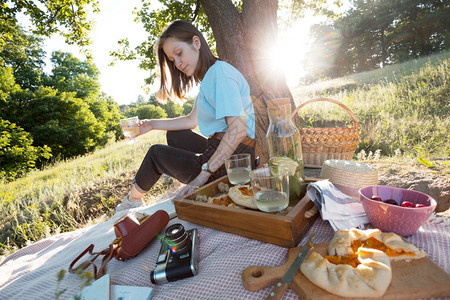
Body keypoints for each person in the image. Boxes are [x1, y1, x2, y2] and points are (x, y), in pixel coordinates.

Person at [116, 20, 256, 212]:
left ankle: (131, 202)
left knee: (156, 154)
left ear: (196, 42)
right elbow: (191, 120)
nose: (178, 63)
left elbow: (239, 129)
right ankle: (197, 170)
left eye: (179, 53)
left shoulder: (220, 73)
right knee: (176, 135)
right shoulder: (211, 76)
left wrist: (204, 174)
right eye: (173, 60)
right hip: (222, 150)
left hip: (235, 162)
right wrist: (151, 124)